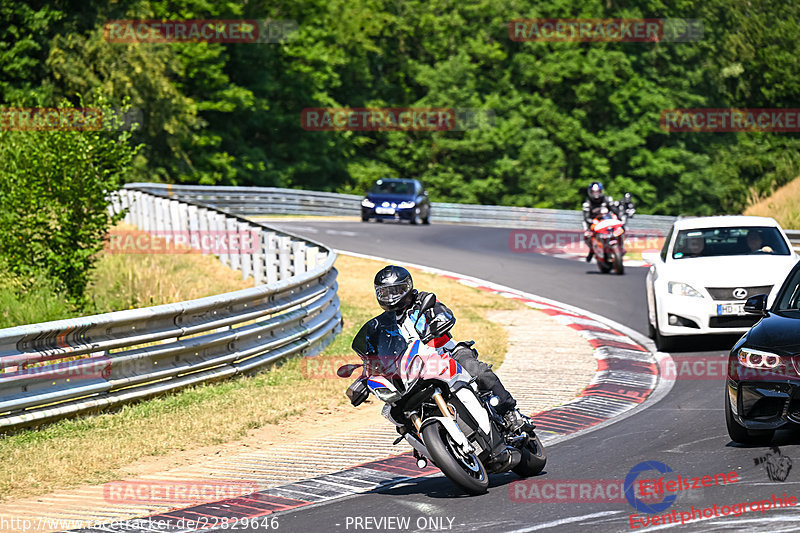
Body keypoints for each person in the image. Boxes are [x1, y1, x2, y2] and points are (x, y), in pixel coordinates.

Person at [364, 265, 532, 432]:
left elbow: (443, 312)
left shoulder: (423, 301)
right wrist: (367, 375)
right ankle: (429, 445)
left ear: (407, 287)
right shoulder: (384, 325)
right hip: (416, 370)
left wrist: (440, 319)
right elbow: (375, 351)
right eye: (385, 293)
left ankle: (510, 412)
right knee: (397, 411)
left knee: (478, 371)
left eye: (396, 290)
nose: (391, 297)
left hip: (447, 352)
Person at [582, 182, 635, 262]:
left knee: (621, 228)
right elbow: (586, 217)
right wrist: (592, 222)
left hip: (607, 220)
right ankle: (592, 251)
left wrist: (620, 218)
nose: (596, 194)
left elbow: (614, 209)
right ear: (590, 192)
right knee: (587, 235)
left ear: (601, 191)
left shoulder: (607, 199)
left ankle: (621, 246)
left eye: (597, 192)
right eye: (594, 192)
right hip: (594, 222)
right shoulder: (587, 204)